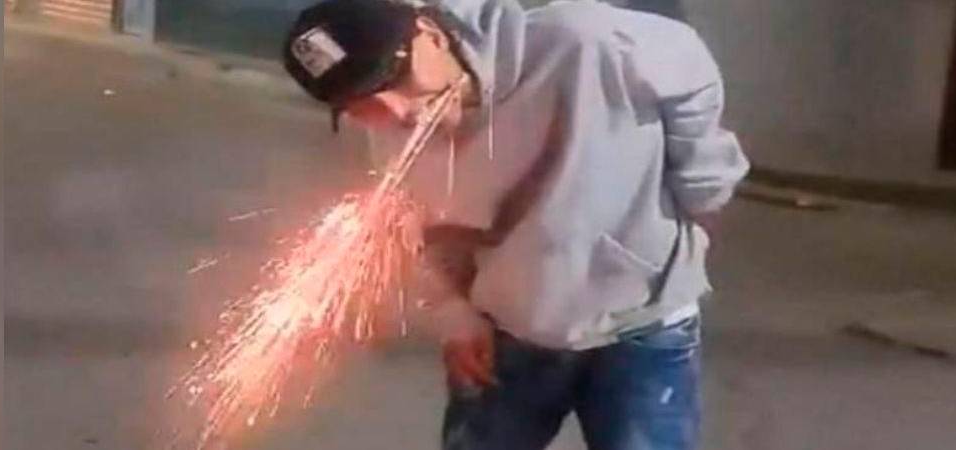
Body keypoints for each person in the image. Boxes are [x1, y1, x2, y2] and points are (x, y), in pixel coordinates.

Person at [281, 0, 749, 449]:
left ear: (429, 36)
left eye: (394, 79)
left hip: (645, 323)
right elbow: (414, 231)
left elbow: (687, 62)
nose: (399, 112)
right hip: (507, 335)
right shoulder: (391, 137)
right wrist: (454, 317)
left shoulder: (581, 41)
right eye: (363, 105)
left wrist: (704, 181)